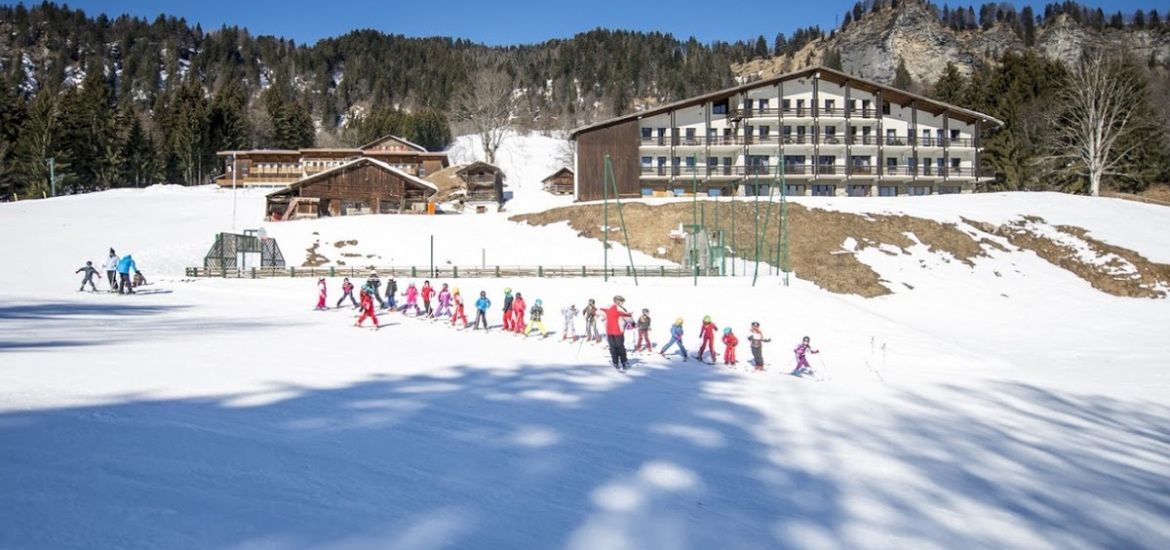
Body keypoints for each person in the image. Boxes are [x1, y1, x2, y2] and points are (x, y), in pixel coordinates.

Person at [602, 295, 633, 370]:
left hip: (610, 331)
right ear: (618, 301)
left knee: (613, 347)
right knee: (619, 347)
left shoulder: (609, 307)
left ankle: (616, 362)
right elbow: (629, 318)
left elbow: (603, 314)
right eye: (622, 301)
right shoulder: (620, 309)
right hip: (617, 331)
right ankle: (622, 362)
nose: (623, 303)